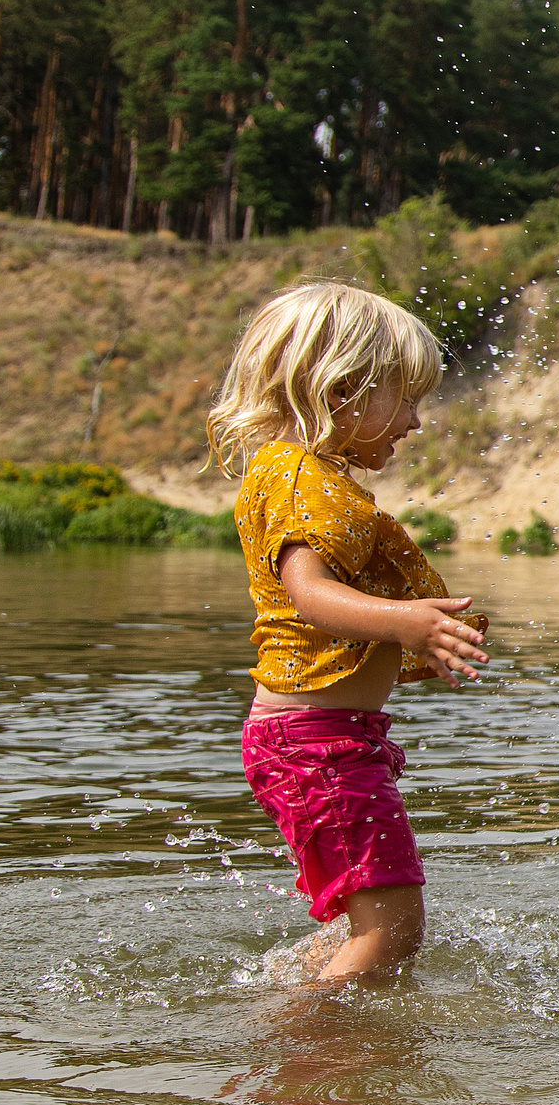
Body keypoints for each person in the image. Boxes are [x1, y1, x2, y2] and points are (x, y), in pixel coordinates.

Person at [207, 282, 487, 981]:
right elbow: (309, 594)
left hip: (321, 738)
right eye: (407, 397)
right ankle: (312, 1053)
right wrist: (408, 621)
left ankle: (286, 1002)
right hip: (314, 743)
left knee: (369, 925)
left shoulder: (300, 473)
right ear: (341, 391)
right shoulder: (303, 479)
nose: (417, 421)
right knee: (392, 929)